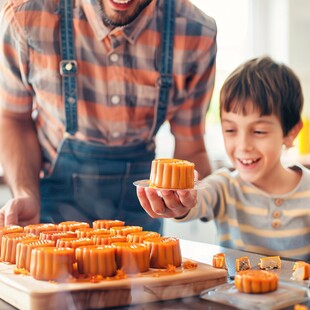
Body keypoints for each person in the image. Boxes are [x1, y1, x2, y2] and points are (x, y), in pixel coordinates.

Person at [0, 0, 217, 233]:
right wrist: (25, 192)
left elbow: (191, 148)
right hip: (51, 216)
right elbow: (14, 118)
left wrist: (182, 203)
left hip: (141, 222)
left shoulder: (196, 33)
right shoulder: (25, 17)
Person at [137, 56, 310, 260]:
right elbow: (196, 200)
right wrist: (179, 202)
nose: (243, 145)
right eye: (230, 129)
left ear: (290, 133)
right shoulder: (224, 186)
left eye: (259, 131)